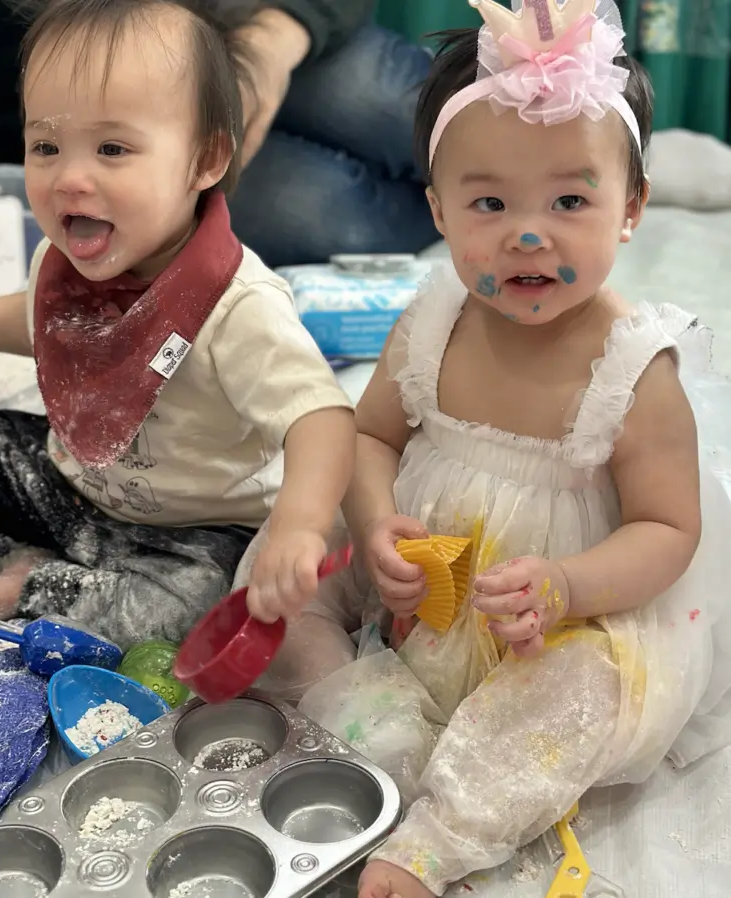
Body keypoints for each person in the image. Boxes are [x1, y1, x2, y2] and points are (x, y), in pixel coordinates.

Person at [239, 1, 731, 896]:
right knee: (278, 578)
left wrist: (569, 585)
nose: (529, 232)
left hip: (561, 607)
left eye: (570, 200)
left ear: (631, 209)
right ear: (437, 208)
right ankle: (382, 729)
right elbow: (371, 435)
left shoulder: (633, 368)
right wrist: (379, 522)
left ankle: (446, 824)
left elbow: (667, 528)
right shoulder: (432, 323)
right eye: (490, 202)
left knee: (589, 689)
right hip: (428, 573)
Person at [0, 0, 356, 664]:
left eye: (112, 148)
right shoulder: (64, 264)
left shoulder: (236, 304)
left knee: (196, 599)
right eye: (46, 146)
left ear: (204, 159)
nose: (71, 178)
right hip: (71, 488)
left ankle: (29, 589)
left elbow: (322, 419)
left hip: (192, 531)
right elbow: (40, 323)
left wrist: (299, 526)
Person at [0, 0, 438, 266]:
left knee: (395, 104)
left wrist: (275, 38)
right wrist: (124, 139)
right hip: (111, 102)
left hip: (245, 23)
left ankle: (508, 178)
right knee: (325, 213)